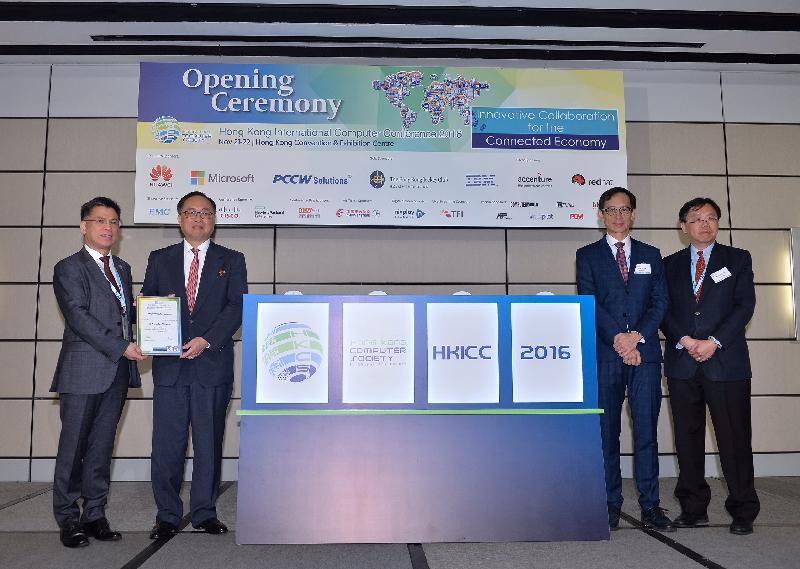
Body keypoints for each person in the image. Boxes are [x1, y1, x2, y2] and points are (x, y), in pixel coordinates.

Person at [141, 191, 248, 539]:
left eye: (206, 212)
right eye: (191, 212)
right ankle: (167, 515)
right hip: (171, 369)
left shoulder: (232, 260)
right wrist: (155, 320)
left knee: (209, 443)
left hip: (212, 365)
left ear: (214, 220)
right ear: (179, 218)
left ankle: (204, 512)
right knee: (167, 445)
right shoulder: (160, 259)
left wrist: (206, 339)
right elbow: (148, 304)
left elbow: (236, 306)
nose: (198, 218)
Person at [576, 187, 673, 531]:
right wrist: (619, 338)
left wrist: (636, 338)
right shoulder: (586, 255)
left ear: (633, 214)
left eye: (624, 209)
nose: (618, 216)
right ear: (600, 214)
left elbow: (660, 302)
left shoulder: (651, 253)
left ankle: (651, 505)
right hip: (606, 354)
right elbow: (589, 301)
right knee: (607, 432)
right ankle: (609, 504)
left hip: (644, 354)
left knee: (646, 431)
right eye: (611, 210)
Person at [661, 197, 759, 535]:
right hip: (682, 362)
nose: (705, 224)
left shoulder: (738, 258)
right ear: (683, 227)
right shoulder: (668, 264)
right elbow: (663, 309)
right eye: (696, 219)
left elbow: (745, 305)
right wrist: (687, 341)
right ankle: (693, 508)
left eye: (711, 218)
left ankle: (743, 509)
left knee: (734, 438)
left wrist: (713, 342)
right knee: (687, 439)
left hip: (726, 364)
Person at [51, 197, 146, 548]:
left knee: (102, 448)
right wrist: (121, 346)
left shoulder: (121, 268)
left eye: (114, 222)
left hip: (117, 372)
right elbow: (78, 316)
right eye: (100, 221)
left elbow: (122, 316)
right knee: (73, 447)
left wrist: (153, 314)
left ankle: (94, 515)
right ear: (84, 226)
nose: (108, 228)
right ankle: (67, 519)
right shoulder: (69, 268)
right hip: (83, 370)